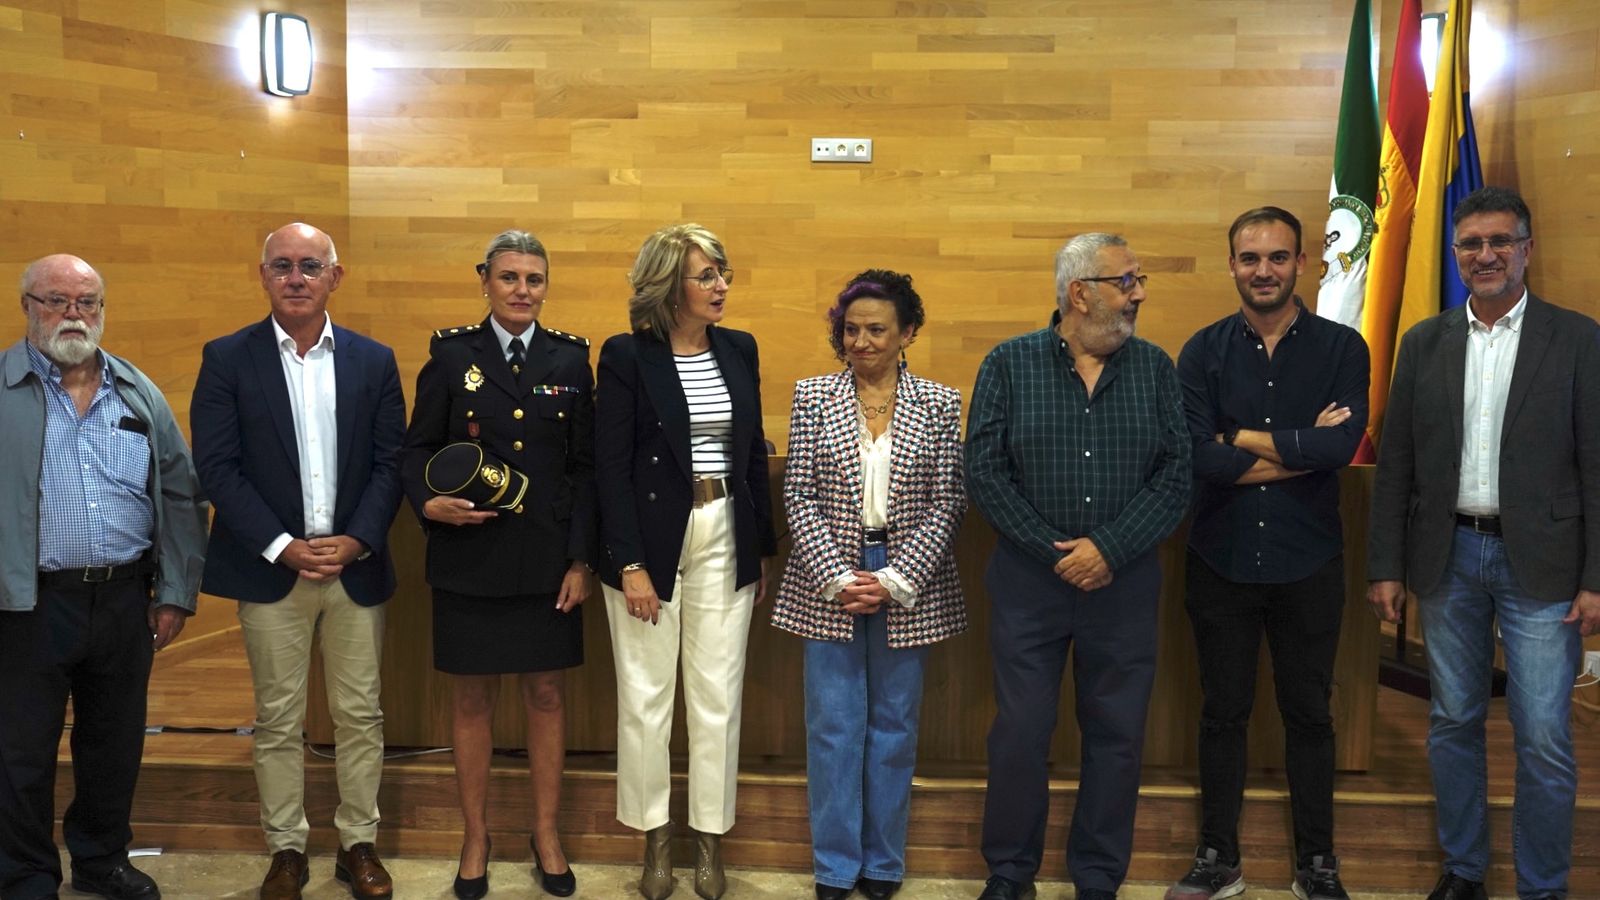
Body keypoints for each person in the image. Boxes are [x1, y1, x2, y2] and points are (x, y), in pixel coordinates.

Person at [1368, 185, 1600, 900]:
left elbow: (1598, 463)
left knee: (1544, 735)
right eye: (1471, 243)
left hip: (1546, 565)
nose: (1486, 254)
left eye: (1501, 241)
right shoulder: (1423, 342)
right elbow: (1397, 463)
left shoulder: (1578, 338)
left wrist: (1597, 577)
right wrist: (1385, 565)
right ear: (1455, 254)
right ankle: (1464, 869)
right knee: (1453, 720)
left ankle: (1543, 886)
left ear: (1526, 249)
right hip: (1449, 560)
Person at [965, 232, 1190, 900]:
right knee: (1020, 732)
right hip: (1029, 586)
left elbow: (1176, 474)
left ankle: (1097, 878)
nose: (1138, 294)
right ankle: (1010, 873)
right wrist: (1055, 551)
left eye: (1140, 280)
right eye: (1126, 281)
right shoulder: (1009, 364)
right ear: (1080, 293)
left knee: (1117, 736)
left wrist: (1108, 550)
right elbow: (985, 471)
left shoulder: (1154, 369)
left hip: (1123, 586)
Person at [190, 223, 406, 900]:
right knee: (279, 718)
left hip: (352, 567)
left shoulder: (374, 360)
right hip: (271, 569)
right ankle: (286, 848)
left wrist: (358, 539)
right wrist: (281, 545)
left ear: (335, 277)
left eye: (310, 266)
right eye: (281, 265)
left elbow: (391, 464)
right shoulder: (228, 358)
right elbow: (217, 467)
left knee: (360, 714)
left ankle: (358, 843)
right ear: (263, 275)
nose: (295, 278)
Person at [1169, 207, 1369, 900]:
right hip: (1219, 558)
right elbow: (1198, 458)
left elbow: (1339, 448)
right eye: (1250, 258)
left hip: (1308, 561)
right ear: (1232, 264)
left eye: (1278, 257)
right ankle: (1217, 857)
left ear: (1302, 263)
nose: (1264, 270)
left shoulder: (1342, 348)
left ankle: (1317, 862)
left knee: (1309, 714)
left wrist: (1238, 436)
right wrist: (1295, 446)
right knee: (1222, 712)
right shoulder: (1201, 351)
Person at [0, 255, 208, 900]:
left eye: (86, 301)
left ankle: (100, 860)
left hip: (124, 599)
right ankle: (25, 874)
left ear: (101, 309)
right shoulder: (4, 389)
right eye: (56, 300)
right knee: (20, 751)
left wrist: (174, 592)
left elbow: (180, 495)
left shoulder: (137, 391)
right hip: (26, 603)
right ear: (27, 306)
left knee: (114, 746)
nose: (73, 314)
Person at [399, 229, 596, 899]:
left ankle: (546, 833)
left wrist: (581, 559)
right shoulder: (453, 355)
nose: (522, 290)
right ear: (484, 280)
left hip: (546, 559)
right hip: (469, 558)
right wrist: (428, 502)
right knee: (472, 697)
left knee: (547, 694)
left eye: (534, 279)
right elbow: (416, 448)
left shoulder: (572, 360)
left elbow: (585, 468)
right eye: (509, 277)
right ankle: (476, 836)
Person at [595, 223, 777, 900]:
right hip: (650, 540)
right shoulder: (625, 355)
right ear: (670, 286)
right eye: (706, 276)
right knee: (646, 697)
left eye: (723, 272)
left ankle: (708, 839)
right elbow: (610, 468)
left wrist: (759, 548)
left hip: (725, 529)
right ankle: (655, 840)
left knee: (717, 697)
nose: (721, 285)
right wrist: (629, 564)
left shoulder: (739, 348)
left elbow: (751, 450)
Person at [772, 270, 967, 900]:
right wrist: (837, 575)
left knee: (894, 728)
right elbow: (798, 494)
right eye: (851, 329)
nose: (861, 341)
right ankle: (834, 866)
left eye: (877, 330)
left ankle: (883, 863)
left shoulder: (939, 402)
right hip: (827, 575)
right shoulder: (813, 396)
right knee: (833, 729)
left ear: (907, 333)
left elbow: (949, 500)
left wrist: (893, 578)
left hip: (908, 577)